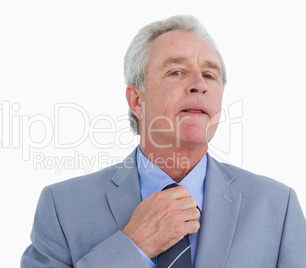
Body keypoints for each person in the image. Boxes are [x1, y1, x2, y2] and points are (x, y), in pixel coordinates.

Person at [20, 15, 306, 267]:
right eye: (176, 72)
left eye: (209, 75)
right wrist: (133, 246)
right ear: (137, 100)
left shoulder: (278, 207)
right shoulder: (61, 206)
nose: (200, 84)